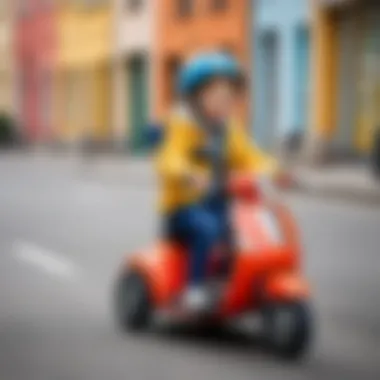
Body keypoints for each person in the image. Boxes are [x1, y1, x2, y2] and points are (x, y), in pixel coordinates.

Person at [155, 52, 279, 312]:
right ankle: (195, 290)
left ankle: (238, 282)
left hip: (219, 203)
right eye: (217, 95)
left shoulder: (228, 130)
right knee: (207, 228)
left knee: (250, 230)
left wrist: (275, 170)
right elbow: (169, 159)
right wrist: (187, 172)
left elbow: (250, 156)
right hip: (183, 210)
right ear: (196, 97)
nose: (225, 102)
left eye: (229, 96)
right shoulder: (182, 126)